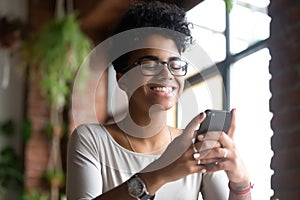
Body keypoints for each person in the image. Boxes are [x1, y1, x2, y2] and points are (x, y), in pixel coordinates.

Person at [66, 1, 252, 199]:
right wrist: (162, 172)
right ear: (122, 79)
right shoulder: (91, 140)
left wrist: (240, 183)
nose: (166, 74)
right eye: (149, 64)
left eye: (175, 64)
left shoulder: (196, 147)